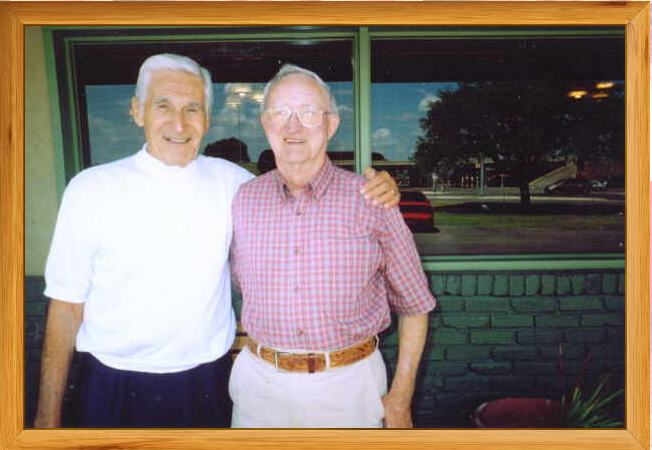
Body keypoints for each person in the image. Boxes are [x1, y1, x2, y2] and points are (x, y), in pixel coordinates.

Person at [34, 54, 398, 428]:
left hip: (205, 382)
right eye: (163, 106)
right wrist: (47, 417)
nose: (179, 123)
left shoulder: (234, 184)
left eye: (193, 108)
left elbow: (301, 194)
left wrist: (377, 189)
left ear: (207, 118)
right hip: (112, 382)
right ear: (137, 111)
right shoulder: (90, 189)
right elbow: (66, 307)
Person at [229, 64, 436, 429]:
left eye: (309, 112)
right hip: (258, 388)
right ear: (265, 123)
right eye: (280, 112)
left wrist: (401, 397)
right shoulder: (243, 200)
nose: (293, 127)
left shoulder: (371, 199)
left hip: (348, 388)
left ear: (331, 125)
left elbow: (416, 306)